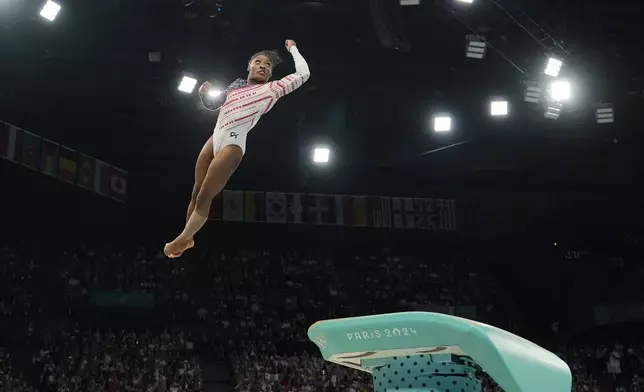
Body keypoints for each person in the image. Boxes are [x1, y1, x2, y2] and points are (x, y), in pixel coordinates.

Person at [164, 39, 310, 257]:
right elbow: (213, 105)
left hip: (234, 142)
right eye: (258, 62)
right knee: (195, 191)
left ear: (270, 74)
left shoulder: (272, 89)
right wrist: (204, 94)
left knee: (205, 195)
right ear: (248, 66)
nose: (263, 65)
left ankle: (183, 239)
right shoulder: (234, 87)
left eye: (268, 65)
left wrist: (294, 49)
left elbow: (303, 74)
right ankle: (189, 238)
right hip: (215, 138)